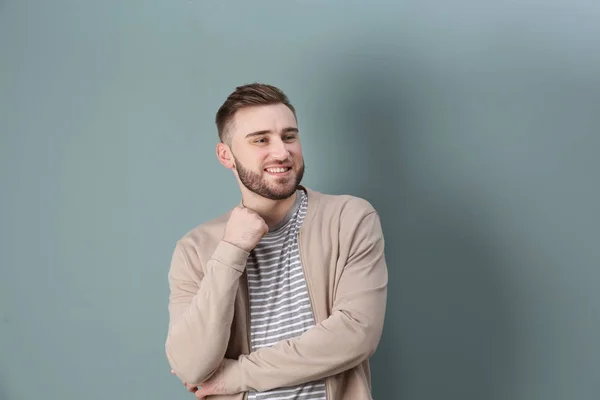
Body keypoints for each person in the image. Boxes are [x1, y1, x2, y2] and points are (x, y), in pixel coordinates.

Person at [165, 83, 388, 400]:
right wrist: (232, 250)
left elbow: (356, 333)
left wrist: (237, 376)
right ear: (226, 155)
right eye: (260, 140)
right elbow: (191, 366)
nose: (282, 152)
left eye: (289, 136)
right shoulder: (195, 249)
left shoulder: (349, 218)